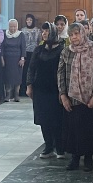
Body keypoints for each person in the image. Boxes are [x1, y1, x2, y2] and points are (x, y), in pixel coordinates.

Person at [57, 22, 93, 172]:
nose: (74, 37)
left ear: (83, 33)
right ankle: (75, 158)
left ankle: (88, 159)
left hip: (90, 98)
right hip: (72, 98)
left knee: (89, 129)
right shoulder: (66, 52)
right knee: (73, 129)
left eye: (76, 34)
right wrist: (63, 95)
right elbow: (60, 74)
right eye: (71, 35)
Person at [27, 23, 64, 158]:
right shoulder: (39, 49)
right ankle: (48, 146)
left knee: (56, 118)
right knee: (43, 118)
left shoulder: (61, 49)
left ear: (53, 32)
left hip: (55, 89)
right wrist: (29, 85)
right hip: (40, 88)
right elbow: (31, 68)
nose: (44, 33)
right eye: (43, 31)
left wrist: (63, 91)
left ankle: (60, 147)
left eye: (47, 31)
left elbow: (64, 71)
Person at [0, 18, 26, 102]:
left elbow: (23, 47)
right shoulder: (5, 34)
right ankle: (8, 95)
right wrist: (2, 58)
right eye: (11, 26)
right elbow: (2, 47)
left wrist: (22, 58)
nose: (13, 28)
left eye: (14, 26)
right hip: (7, 59)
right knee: (7, 77)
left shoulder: (21, 34)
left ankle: (16, 95)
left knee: (17, 77)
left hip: (17, 59)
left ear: (17, 26)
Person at [20, 13, 40, 97]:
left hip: (34, 53)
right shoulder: (22, 30)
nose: (29, 21)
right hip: (25, 53)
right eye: (27, 20)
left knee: (33, 71)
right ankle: (23, 90)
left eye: (30, 20)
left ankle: (33, 89)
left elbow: (39, 42)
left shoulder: (37, 30)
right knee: (25, 72)